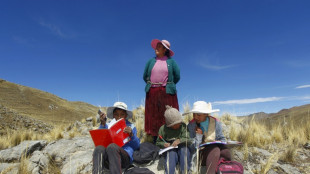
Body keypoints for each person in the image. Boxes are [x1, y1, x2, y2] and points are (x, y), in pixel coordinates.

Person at [143, 39, 180, 143]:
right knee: (153, 115)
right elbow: (145, 75)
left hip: (167, 91)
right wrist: (152, 84)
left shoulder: (171, 62)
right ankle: (156, 139)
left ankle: (169, 137)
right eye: (157, 46)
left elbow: (177, 76)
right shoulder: (151, 61)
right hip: (153, 91)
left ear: (165, 49)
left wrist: (169, 85)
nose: (156, 48)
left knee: (168, 114)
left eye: (159, 46)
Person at [92, 102, 140, 174]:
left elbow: (137, 146)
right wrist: (102, 124)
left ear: (126, 115)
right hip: (108, 158)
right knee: (99, 148)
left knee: (112, 147)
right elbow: (100, 141)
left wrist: (131, 135)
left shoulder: (131, 126)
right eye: (116, 114)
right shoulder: (108, 125)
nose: (119, 117)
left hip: (124, 158)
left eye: (122, 114)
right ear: (113, 115)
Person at [184, 101, 231, 174]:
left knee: (225, 151)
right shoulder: (191, 125)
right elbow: (191, 147)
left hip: (215, 150)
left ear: (206, 114)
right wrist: (199, 136)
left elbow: (221, 137)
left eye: (198, 114)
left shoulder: (215, 122)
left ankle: (224, 170)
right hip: (199, 154)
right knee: (214, 150)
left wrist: (223, 142)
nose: (195, 117)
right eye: (194, 114)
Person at [156, 105, 191, 174]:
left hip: (182, 146)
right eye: (175, 124)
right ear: (169, 125)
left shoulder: (183, 126)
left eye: (179, 123)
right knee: (171, 154)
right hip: (170, 148)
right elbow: (158, 142)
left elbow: (188, 139)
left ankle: (185, 172)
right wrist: (164, 144)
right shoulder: (163, 129)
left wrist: (180, 140)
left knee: (184, 151)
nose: (178, 125)